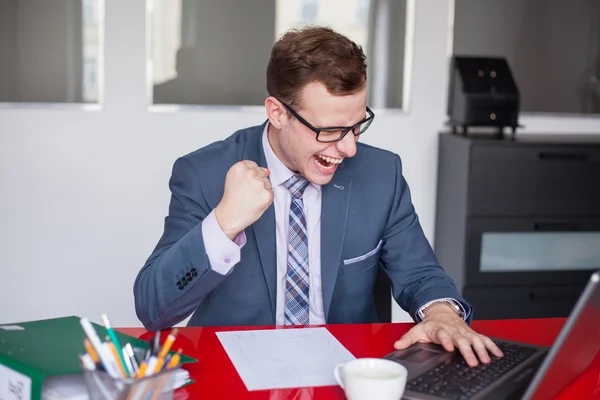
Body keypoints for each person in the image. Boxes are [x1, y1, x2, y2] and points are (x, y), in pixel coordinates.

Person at [134, 26, 503, 367]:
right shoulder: (202, 173)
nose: (349, 148)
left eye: (357, 126)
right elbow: (154, 309)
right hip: (235, 374)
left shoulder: (381, 174)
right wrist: (224, 221)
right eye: (329, 130)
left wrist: (440, 313)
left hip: (347, 372)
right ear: (278, 113)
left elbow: (420, 273)